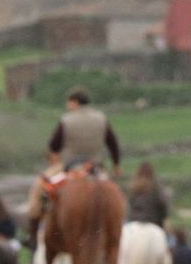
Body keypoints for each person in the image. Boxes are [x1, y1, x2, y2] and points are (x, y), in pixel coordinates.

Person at [25, 86, 121, 246]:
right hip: (96, 167)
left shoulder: (66, 120)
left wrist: (54, 158)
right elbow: (113, 143)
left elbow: (54, 146)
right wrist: (116, 165)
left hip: (70, 166)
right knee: (115, 194)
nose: (67, 106)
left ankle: (33, 236)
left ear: (75, 102)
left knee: (38, 189)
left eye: (69, 103)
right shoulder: (102, 118)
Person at [127, 160, 173, 226]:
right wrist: (165, 217)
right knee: (171, 236)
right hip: (153, 224)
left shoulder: (133, 187)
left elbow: (130, 207)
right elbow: (163, 203)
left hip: (133, 224)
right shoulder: (156, 186)